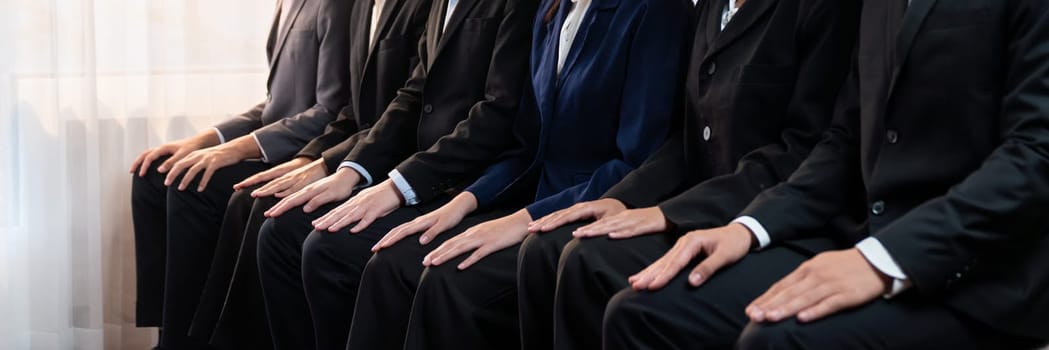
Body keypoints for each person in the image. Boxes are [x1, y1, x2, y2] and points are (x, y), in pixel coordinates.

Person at [605, 1, 1049, 349]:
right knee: (640, 312)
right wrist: (750, 226)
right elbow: (844, 137)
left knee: (778, 337)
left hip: (985, 274)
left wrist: (883, 259)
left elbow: (1035, 155)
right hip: (865, 233)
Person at [520, 0, 860, 348]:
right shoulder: (713, 8)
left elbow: (800, 152)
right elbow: (688, 138)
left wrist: (670, 213)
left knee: (615, 287)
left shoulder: (822, 9)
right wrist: (623, 198)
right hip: (704, 205)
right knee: (552, 249)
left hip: (774, 215)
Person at [353, 0, 693, 348]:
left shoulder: (656, 11)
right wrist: (464, 202)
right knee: (392, 262)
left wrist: (523, 219)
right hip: (533, 198)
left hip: (589, 211)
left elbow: (635, 163)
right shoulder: (551, 9)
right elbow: (528, 150)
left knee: (448, 280)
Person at [255, 0, 538, 348]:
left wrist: (399, 186)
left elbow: (498, 115)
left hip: (475, 180)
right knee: (282, 228)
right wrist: (351, 171)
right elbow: (413, 96)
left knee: (329, 249)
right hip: (422, 168)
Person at [187, 0, 433, 349]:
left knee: (277, 215)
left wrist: (331, 164)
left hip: (395, 160)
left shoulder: (413, 6)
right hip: (351, 147)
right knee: (256, 198)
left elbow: (399, 113)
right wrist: (311, 158)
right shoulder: (362, 6)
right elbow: (353, 111)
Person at [127, 0, 351, 348]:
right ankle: (167, 330)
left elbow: (331, 110)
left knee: (193, 186)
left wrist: (236, 148)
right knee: (155, 175)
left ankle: (187, 340)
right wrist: (206, 140)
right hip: (276, 143)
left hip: (307, 151)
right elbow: (275, 103)